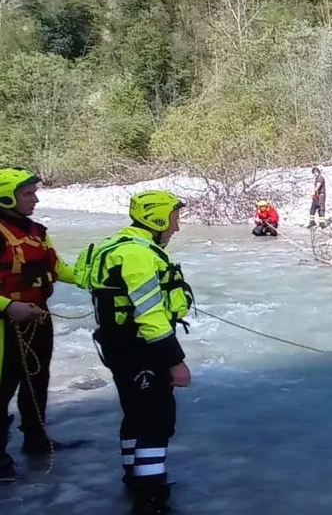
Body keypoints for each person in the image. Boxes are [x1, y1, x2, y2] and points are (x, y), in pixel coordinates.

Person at [74, 190, 194, 514]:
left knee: (135, 415)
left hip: (117, 347)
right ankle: (151, 497)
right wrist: (176, 361)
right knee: (156, 420)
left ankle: (133, 476)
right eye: (174, 219)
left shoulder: (111, 247)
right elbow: (150, 314)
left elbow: (83, 277)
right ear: (156, 219)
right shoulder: (139, 255)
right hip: (142, 349)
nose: (176, 228)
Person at [0, 167, 85, 482]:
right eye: (28, 194)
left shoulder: (37, 231)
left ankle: (36, 440)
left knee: (37, 379)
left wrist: (94, 280)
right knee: (3, 386)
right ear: (7, 197)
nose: (35, 199)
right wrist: (8, 306)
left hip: (37, 316)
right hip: (4, 322)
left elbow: (58, 267)